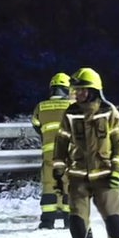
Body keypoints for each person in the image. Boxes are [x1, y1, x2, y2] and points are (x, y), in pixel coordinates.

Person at [52, 68, 119, 238]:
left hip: (105, 176)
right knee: (77, 223)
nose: (78, 94)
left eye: (83, 90)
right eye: (76, 90)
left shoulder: (109, 112)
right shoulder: (70, 113)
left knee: (114, 223)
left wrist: (116, 169)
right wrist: (58, 170)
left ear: (94, 90)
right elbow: (60, 144)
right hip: (77, 177)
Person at [31, 72, 73, 229]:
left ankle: (47, 222)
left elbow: (36, 124)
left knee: (49, 185)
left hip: (49, 154)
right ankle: (69, 220)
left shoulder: (41, 106)